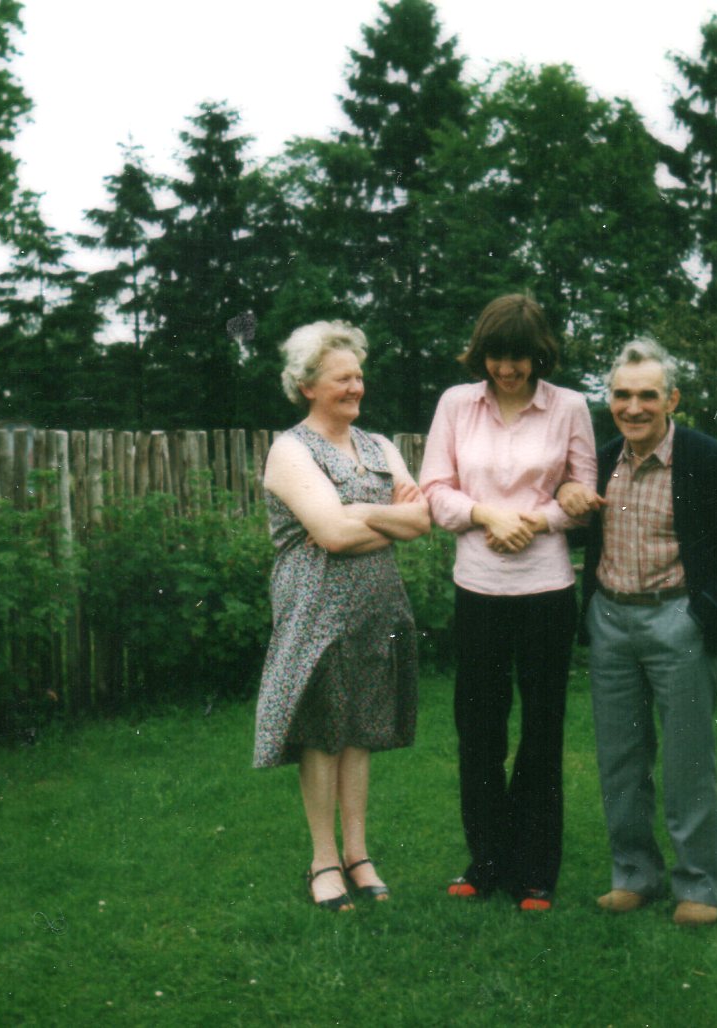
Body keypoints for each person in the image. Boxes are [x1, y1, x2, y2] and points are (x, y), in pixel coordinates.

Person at [558, 339, 717, 927]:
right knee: (620, 759)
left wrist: (701, 612)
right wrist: (564, 496)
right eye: (622, 395)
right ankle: (634, 876)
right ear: (609, 400)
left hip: (677, 620)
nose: (634, 407)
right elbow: (570, 527)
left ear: (672, 399)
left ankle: (697, 885)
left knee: (687, 759)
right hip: (611, 622)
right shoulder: (598, 462)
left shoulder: (705, 459)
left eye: (648, 395)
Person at [420, 294, 597, 912]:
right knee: (479, 730)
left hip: (547, 591)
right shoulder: (455, 404)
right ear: (482, 354)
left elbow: (584, 493)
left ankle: (535, 871)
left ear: (539, 355)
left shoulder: (570, 407)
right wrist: (485, 514)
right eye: (497, 356)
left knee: (542, 730)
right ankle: (486, 861)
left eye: (520, 357)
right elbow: (434, 491)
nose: (508, 368)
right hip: (479, 589)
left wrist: (535, 522)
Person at [254, 321, 431, 912]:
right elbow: (330, 535)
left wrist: (354, 511)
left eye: (358, 375)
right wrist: (381, 517)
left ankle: (358, 854)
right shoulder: (291, 450)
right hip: (317, 608)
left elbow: (423, 520)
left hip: (377, 605)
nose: (356, 387)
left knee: (361, 731)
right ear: (307, 386)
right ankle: (323, 860)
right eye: (341, 378)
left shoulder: (380, 446)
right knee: (323, 733)